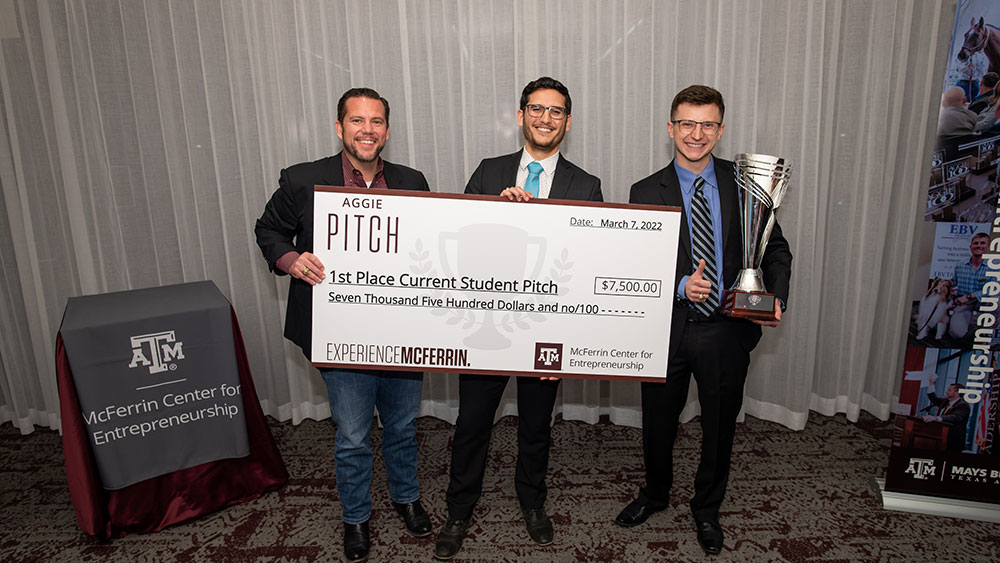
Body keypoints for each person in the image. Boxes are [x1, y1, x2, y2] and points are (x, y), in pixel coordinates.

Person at [255, 87, 431, 563]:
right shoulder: (302, 180)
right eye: (357, 121)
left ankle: (407, 497)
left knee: (402, 424)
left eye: (376, 122)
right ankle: (355, 517)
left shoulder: (412, 181)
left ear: (387, 131)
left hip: (401, 332)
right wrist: (291, 260)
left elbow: (431, 245)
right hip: (340, 333)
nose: (367, 130)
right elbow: (268, 230)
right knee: (352, 432)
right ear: (340, 127)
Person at [616, 85, 792, 555]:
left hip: (725, 331)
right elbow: (634, 265)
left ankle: (707, 509)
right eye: (687, 124)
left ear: (721, 129)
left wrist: (776, 298)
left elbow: (775, 249)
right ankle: (654, 495)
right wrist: (679, 285)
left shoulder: (747, 183)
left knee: (719, 427)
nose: (697, 134)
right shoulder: (643, 190)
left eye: (708, 125)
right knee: (657, 422)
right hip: (668, 330)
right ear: (670, 127)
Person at [433, 77, 602, 561]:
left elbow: (586, 261)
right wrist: (494, 213)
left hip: (544, 330)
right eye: (536, 109)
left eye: (555, 111)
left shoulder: (585, 185)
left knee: (535, 425)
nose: (545, 119)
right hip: (485, 327)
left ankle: (532, 503)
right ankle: (458, 510)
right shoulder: (488, 173)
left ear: (567, 122)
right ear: (521, 115)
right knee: (472, 424)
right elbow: (458, 242)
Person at [949, 232, 989, 339]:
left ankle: (990, 327)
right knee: (956, 334)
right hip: (964, 303)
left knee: (997, 302)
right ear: (971, 247)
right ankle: (959, 318)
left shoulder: (994, 267)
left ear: (988, 247)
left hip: (983, 301)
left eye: (983, 243)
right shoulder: (960, 265)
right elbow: (954, 283)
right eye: (976, 243)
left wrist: (968, 297)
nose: (979, 246)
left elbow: (992, 290)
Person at [922, 375, 971, 452]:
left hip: (953, 442)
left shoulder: (963, 405)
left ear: (957, 393)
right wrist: (931, 384)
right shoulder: (945, 402)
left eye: (949, 390)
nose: (946, 392)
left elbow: (955, 417)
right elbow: (933, 399)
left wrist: (936, 418)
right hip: (940, 438)